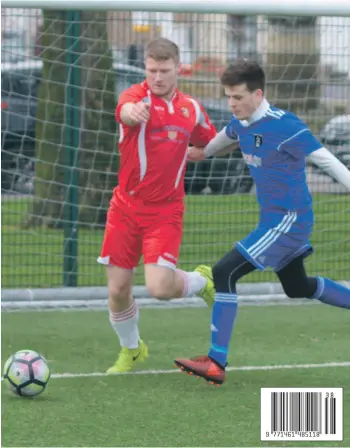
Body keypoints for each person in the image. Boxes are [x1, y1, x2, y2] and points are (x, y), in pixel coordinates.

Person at [174, 59, 350, 385]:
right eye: (228, 97)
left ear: (258, 94)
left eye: (238, 97)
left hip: (289, 221)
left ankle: (216, 361)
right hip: (274, 221)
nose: (232, 103)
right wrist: (174, 148)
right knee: (298, 287)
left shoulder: (286, 126)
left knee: (224, 272)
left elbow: (327, 161)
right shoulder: (240, 125)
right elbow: (207, 149)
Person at [98, 38, 218, 374]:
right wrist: (132, 114)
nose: (158, 77)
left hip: (166, 211)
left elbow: (211, 140)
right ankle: (132, 349)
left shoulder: (191, 108)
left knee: (159, 288)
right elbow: (124, 110)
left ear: (177, 69)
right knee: (118, 289)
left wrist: (203, 152)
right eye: (152, 70)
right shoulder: (135, 98)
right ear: (145, 69)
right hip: (125, 207)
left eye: (164, 71)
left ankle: (200, 281)